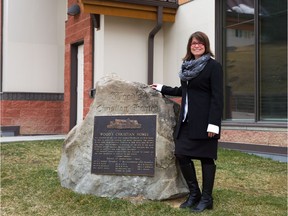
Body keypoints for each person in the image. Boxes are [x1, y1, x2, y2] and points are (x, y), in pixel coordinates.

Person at [151, 31, 223, 212]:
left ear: (206, 46)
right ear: (189, 46)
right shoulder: (187, 67)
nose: (196, 46)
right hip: (187, 121)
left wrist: (213, 124)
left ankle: (207, 199)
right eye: (193, 43)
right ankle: (194, 194)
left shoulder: (213, 66)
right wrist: (162, 88)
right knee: (181, 153)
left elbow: (217, 97)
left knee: (206, 158)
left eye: (200, 43)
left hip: (206, 121)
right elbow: (184, 91)